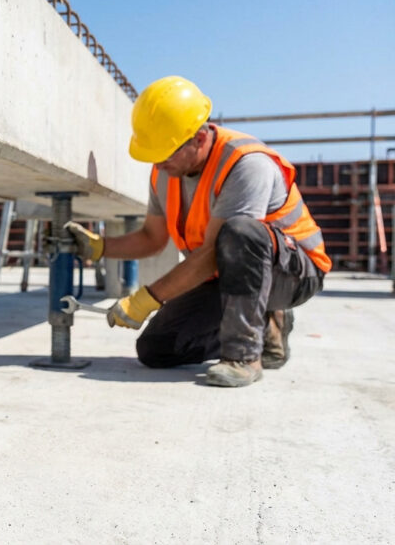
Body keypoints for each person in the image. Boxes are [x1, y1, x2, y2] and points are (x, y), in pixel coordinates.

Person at [66, 76, 331, 387]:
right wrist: (100, 248)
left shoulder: (245, 164)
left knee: (240, 232)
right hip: (228, 276)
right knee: (157, 349)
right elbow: (152, 238)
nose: (159, 162)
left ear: (200, 138)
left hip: (293, 273)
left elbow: (211, 255)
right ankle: (263, 325)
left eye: (167, 153)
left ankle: (244, 355)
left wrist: (145, 300)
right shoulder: (165, 172)